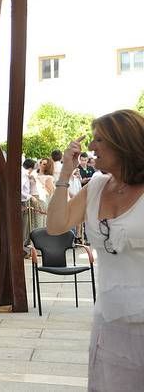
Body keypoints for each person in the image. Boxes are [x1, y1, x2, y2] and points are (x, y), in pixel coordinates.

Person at [46, 110, 144, 391]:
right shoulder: (97, 186)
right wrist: (65, 172)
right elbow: (55, 225)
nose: (90, 147)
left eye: (99, 139)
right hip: (109, 321)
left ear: (123, 143)